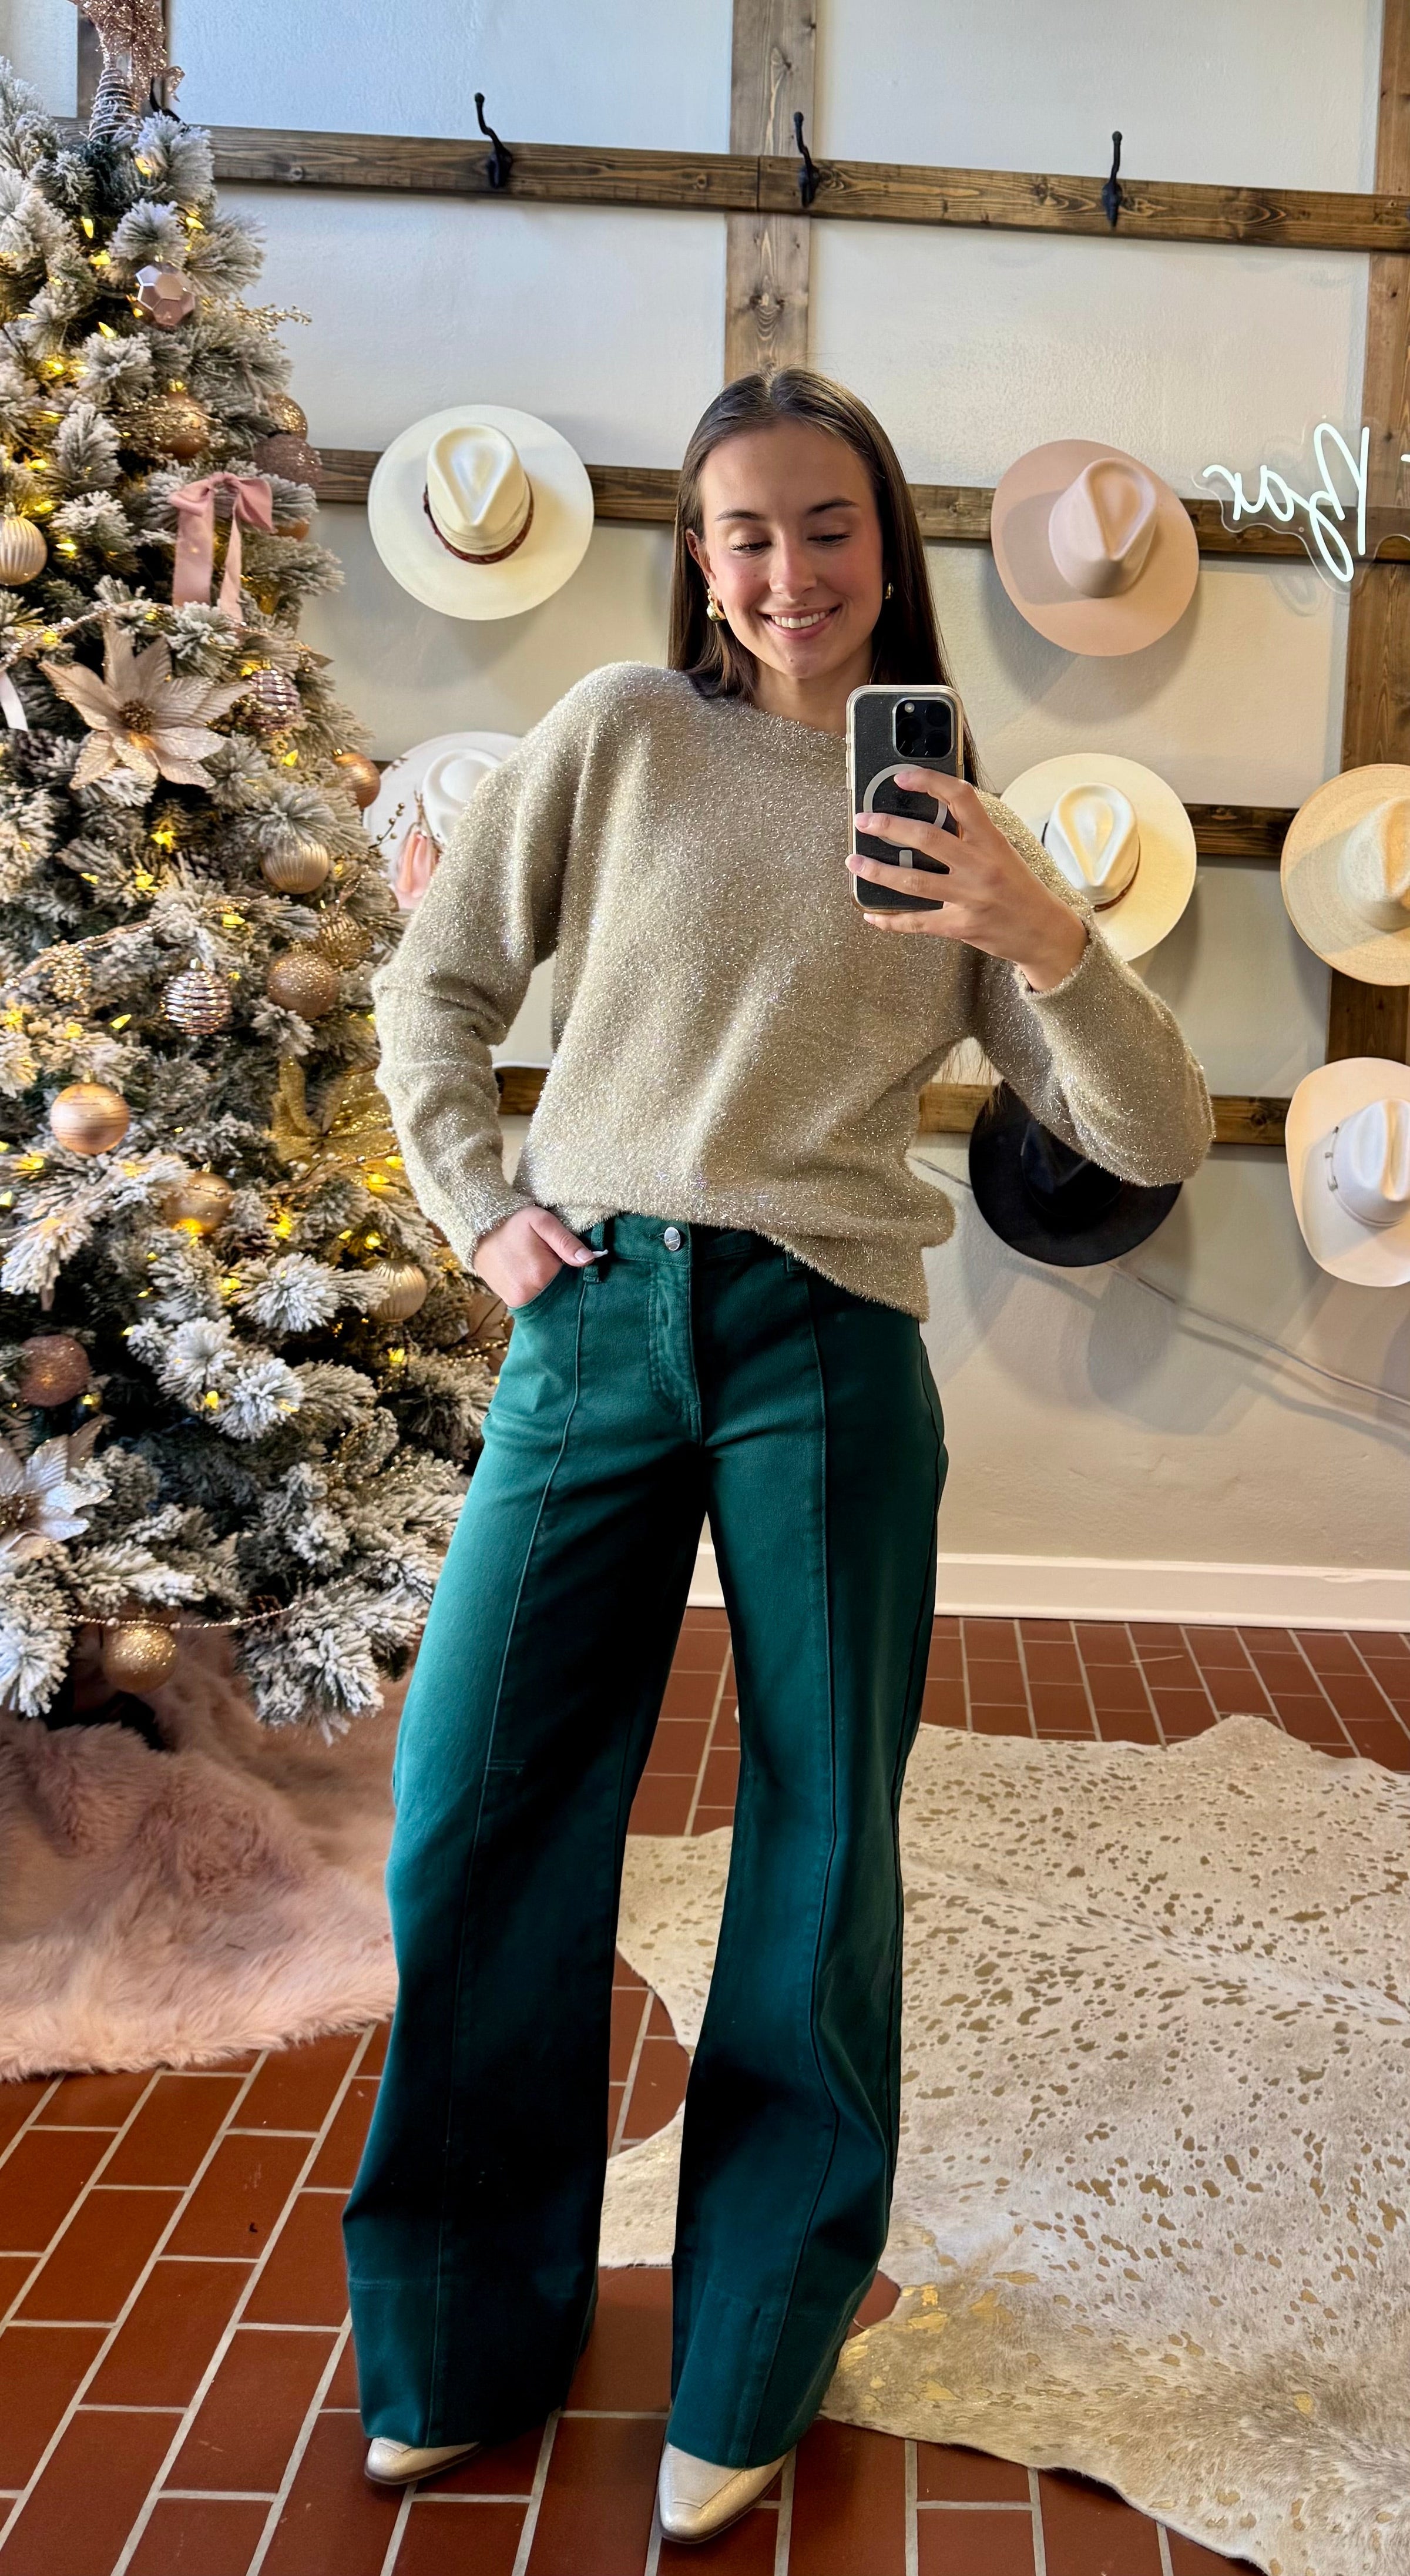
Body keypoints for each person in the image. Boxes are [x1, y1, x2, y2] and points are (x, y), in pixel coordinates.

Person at [343, 368, 1213, 2545]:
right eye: (745, 530)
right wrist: (478, 1205)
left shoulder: (954, 820)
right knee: (474, 1811)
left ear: (888, 547)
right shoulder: (623, 732)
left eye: (827, 526)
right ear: (699, 553)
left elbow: (1153, 1132)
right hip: (595, 1313)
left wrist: (1041, 934)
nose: (787, 571)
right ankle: (460, 2337)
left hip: (826, 1337)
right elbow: (432, 990)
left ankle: (753, 2353)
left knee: (822, 1855)